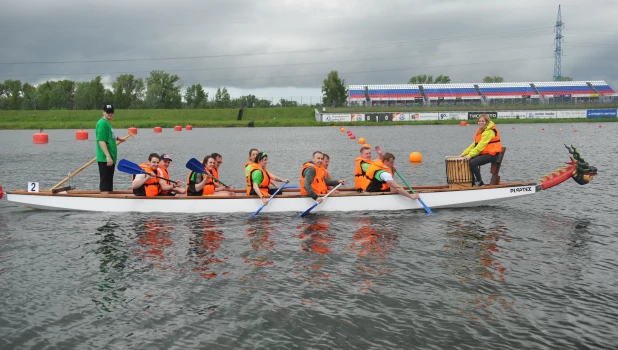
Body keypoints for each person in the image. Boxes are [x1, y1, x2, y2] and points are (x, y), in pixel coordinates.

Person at [460, 114, 502, 186]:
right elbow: (474, 145)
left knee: (472, 163)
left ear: (487, 122)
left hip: (493, 155)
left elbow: (480, 146)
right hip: (486, 153)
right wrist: (464, 153)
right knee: (467, 161)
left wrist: (470, 155)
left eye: (483, 121)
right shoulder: (481, 130)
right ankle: (472, 182)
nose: (481, 122)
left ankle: (480, 182)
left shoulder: (489, 131)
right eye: (479, 121)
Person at [96, 104, 124, 193]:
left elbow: (108, 136)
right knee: (105, 182)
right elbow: (101, 140)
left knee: (109, 182)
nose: (110, 114)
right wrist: (108, 156)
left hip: (111, 157)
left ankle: (109, 198)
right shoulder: (101, 123)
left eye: (112, 112)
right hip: (105, 159)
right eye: (108, 112)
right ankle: (104, 200)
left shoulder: (107, 123)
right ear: (103, 112)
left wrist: (117, 138)